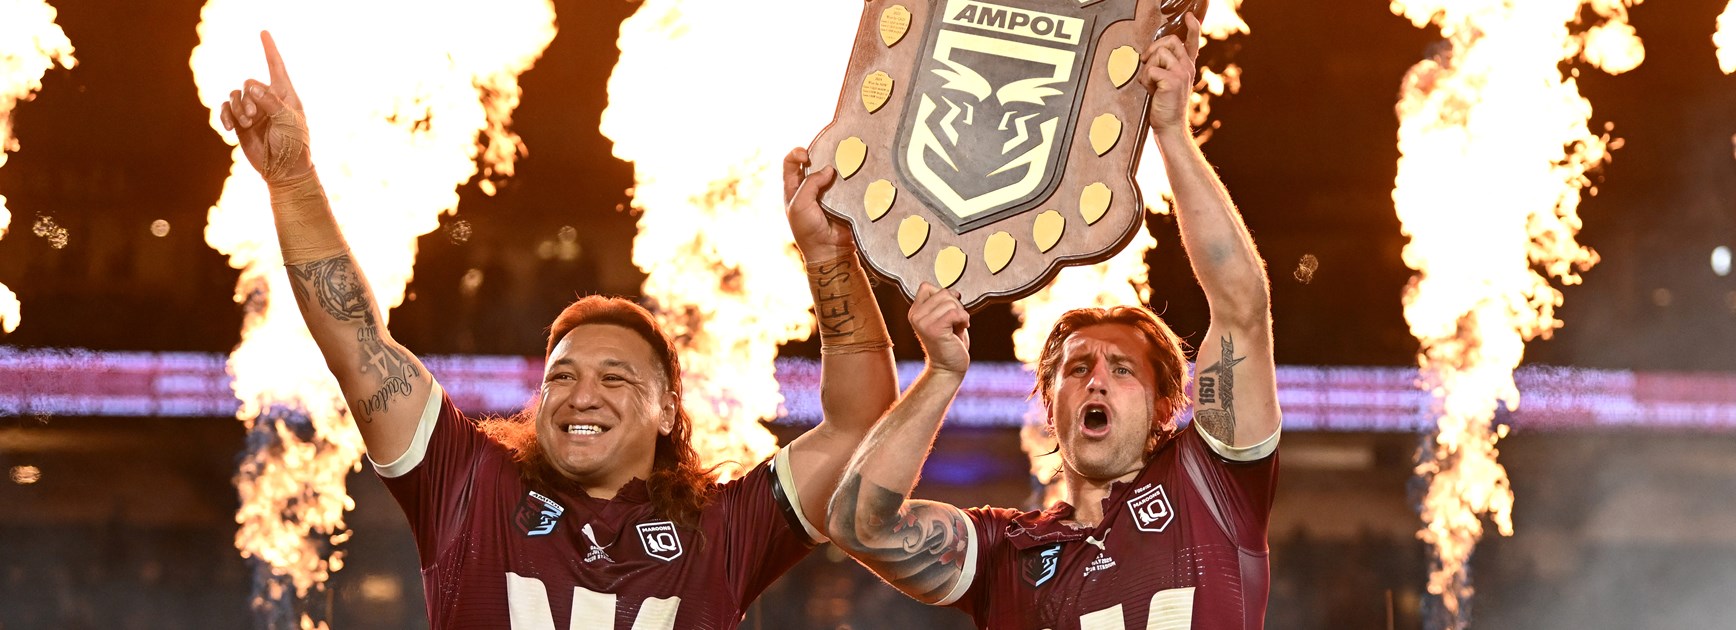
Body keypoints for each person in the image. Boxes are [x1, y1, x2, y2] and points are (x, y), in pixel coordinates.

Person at [218, 32, 896, 629]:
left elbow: (862, 421)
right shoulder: (468, 489)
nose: (580, 394)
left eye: (615, 376)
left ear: (667, 410)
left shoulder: (724, 531)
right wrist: (292, 179)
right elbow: (359, 345)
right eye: (562, 376)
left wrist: (828, 255)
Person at [824, 14, 1282, 629]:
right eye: (1077, 368)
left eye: (1121, 369)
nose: (1095, 380)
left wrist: (1172, 133)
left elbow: (1242, 310)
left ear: (1165, 403)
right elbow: (861, 525)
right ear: (1049, 401)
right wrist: (940, 375)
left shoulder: (1210, 486)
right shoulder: (1005, 552)